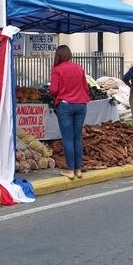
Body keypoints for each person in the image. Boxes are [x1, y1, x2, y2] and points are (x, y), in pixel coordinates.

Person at [49, 45, 89, 179]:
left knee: (67, 138)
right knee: (77, 137)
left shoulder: (57, 69)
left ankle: (70, 170)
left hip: (65, 105)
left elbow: (53, 90)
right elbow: (85, 87)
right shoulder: (79, 68)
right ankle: (78, 169)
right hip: (81, 105)